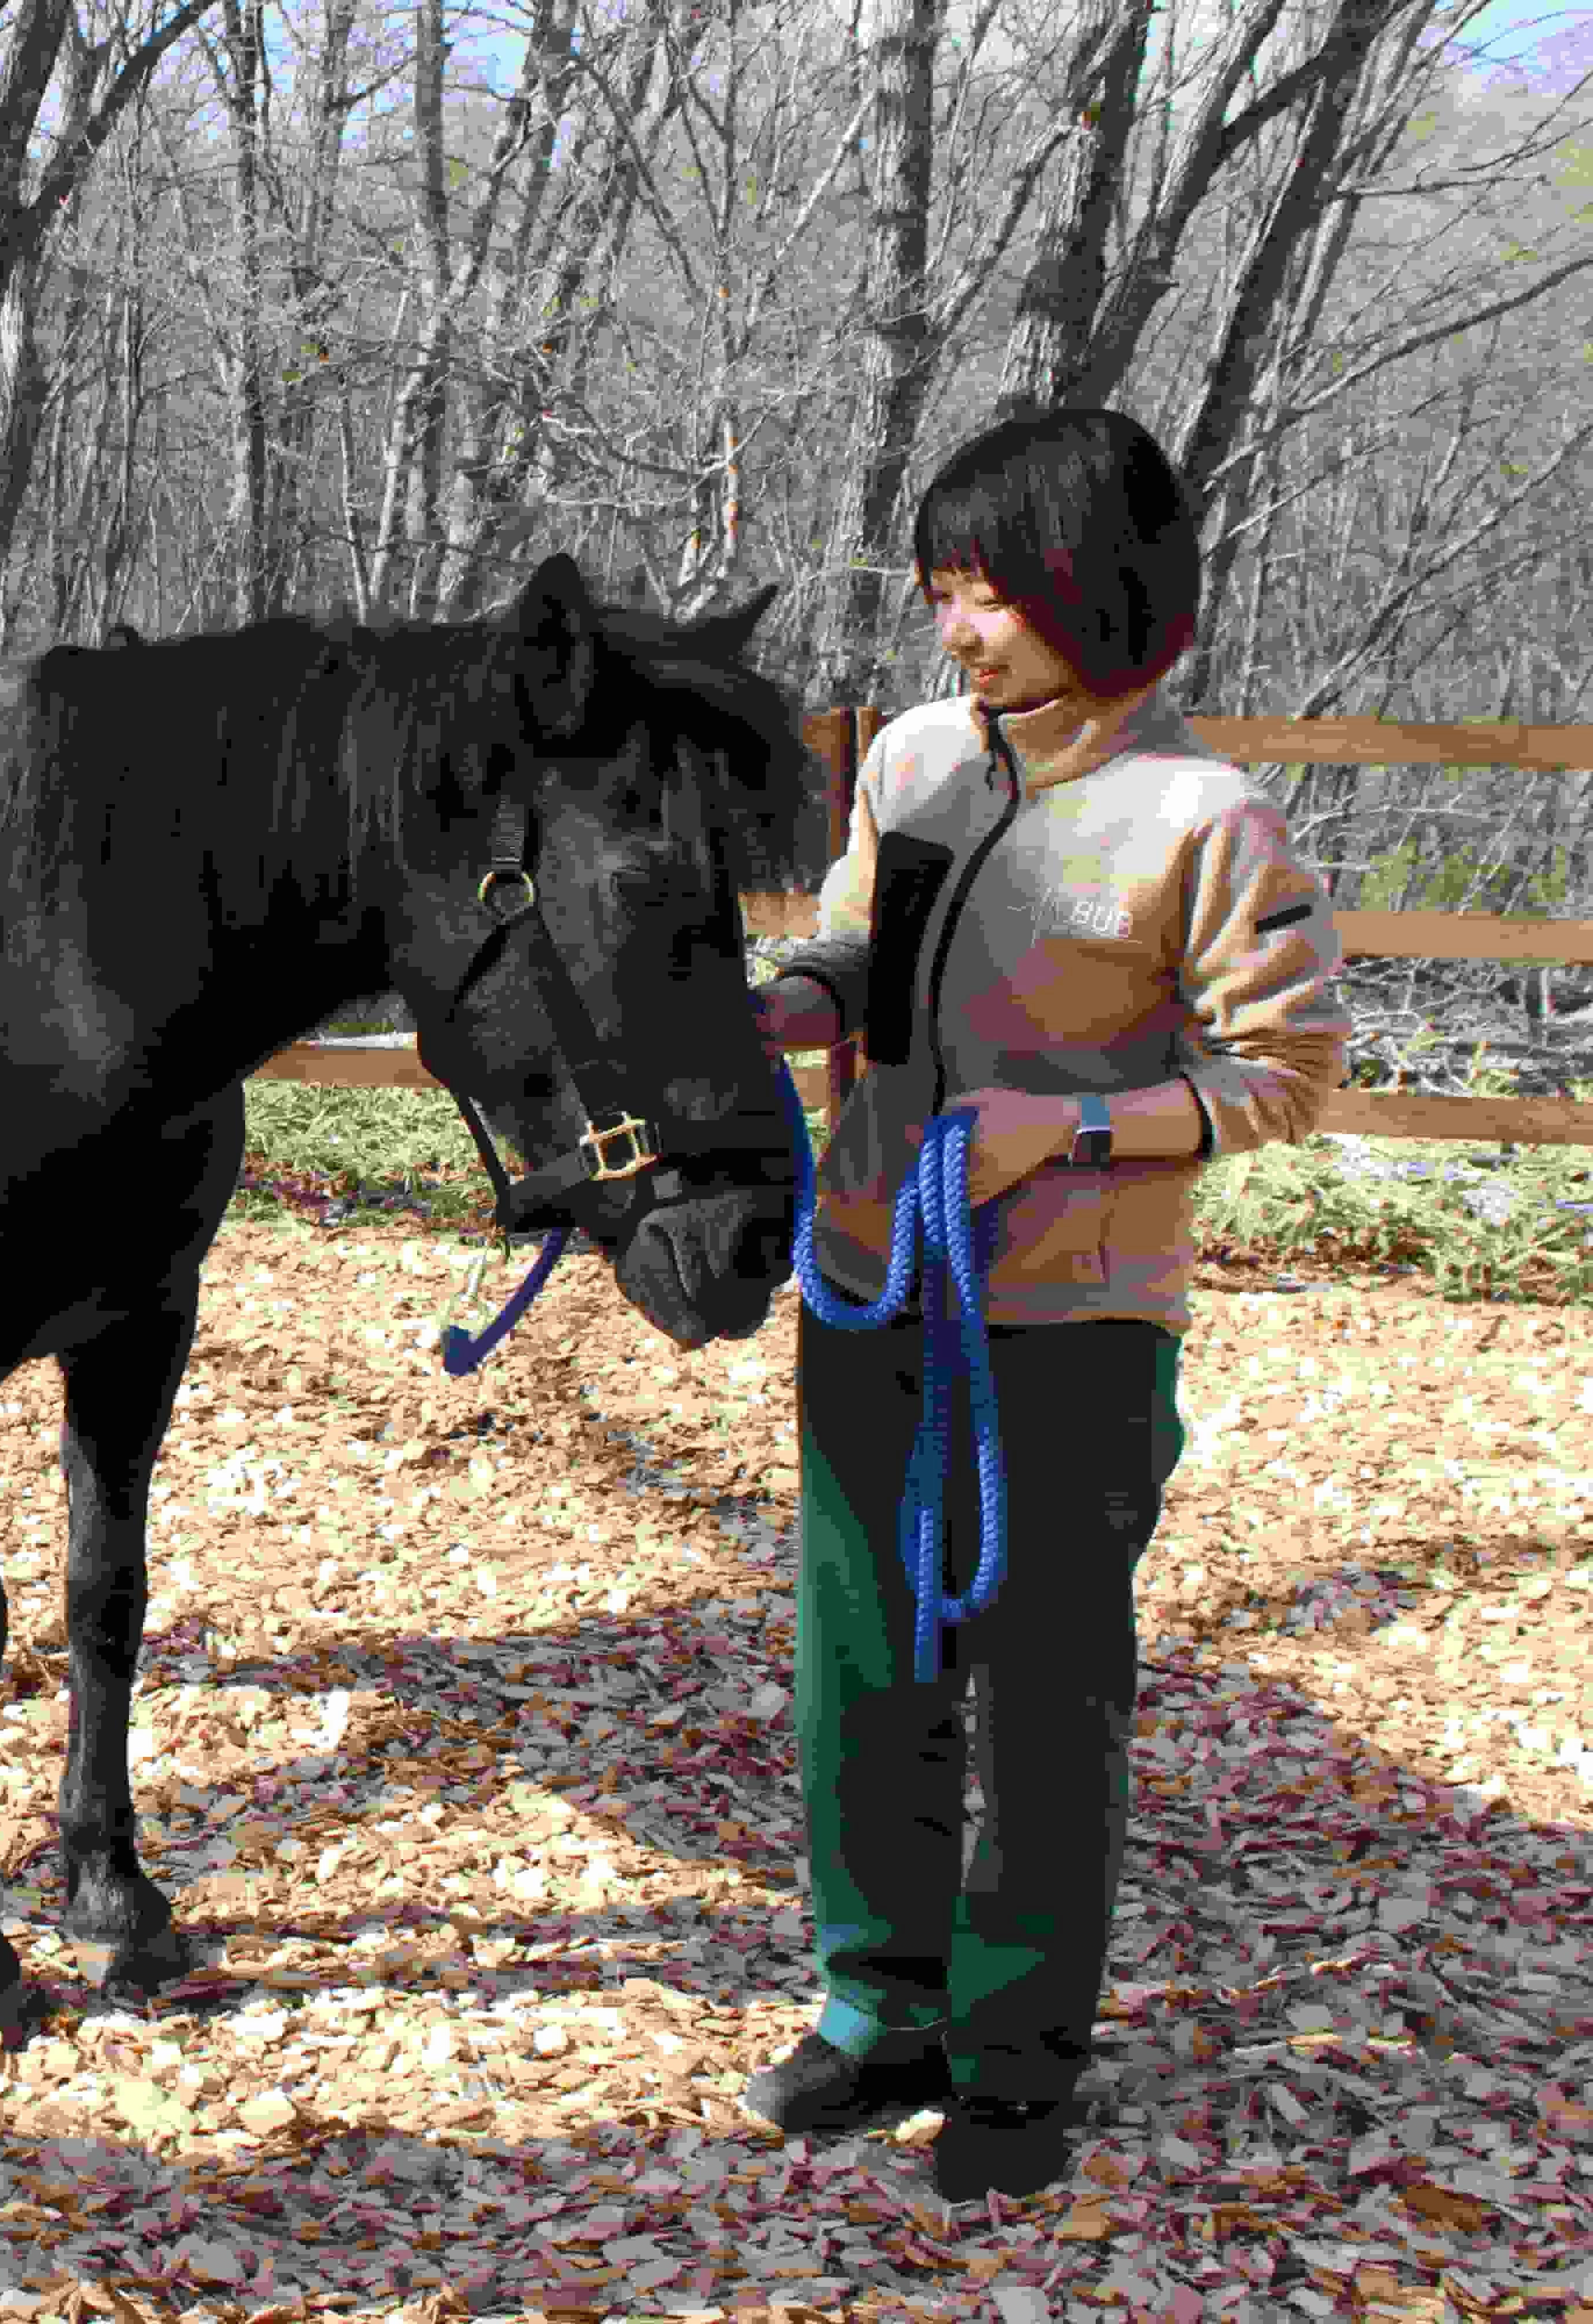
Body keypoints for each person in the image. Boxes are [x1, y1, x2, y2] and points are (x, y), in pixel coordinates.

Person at [744, 408, 1348, 2205]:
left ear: (1099, 592)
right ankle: (881, 2009)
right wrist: (796, 994)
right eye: (945, 589)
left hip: (1073, 1332)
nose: (959, 628)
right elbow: (859, 934)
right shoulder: (921, 759)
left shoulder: (1205, 820)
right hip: (870, 1286)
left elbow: (1288, 1075)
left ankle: (1020, 2056)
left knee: (1041, 1695)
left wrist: (1070, 1126)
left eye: (993, 592)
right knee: (863, 1669)